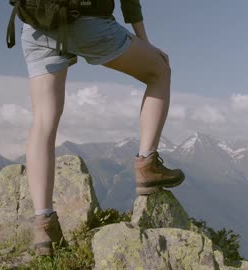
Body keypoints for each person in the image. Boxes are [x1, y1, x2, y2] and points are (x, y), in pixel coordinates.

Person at [22, 0, 185, 257]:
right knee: (159, 71)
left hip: (36, 24)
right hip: (89, 23)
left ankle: (44, 225)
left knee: (43, 121)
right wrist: (144, 41)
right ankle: (147, 165)